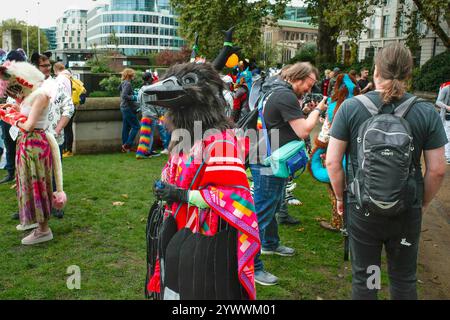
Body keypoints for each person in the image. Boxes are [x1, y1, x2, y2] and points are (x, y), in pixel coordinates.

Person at [327, 43, 447, 300]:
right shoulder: (425, 112)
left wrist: (340, 198)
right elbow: (437, 170)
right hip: (406, 211)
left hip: (363, 209)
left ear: (375, 70)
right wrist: (421, 204)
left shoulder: (351, 107)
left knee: (367, 278)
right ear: (409, 73)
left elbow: (332, 162)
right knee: (403, 279)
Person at [147, 62, 260, 300]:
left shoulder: (219, 141)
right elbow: (175, 173)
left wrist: (181, 195)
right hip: (179, 229)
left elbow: (234, 198)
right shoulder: (183, 138)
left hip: (207, 241)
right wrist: (165, 187)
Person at [250, 62, 328, 286]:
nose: (308, 89)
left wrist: (303, 111)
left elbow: (281, 121)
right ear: (297, 78)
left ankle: (270, 244)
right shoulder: (284, 95)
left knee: (273, 204)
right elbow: (304, 130)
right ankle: (251, 266)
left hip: (268, 156)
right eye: (308, 84)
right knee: (262, 213)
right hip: (268, 161)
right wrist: (316, 111)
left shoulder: (276, 90)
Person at [0, 61, 67, 244]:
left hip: (35, 144)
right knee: (28, 182)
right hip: (29, 144)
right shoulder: (32, 95)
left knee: (38, 185)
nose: (14, 89)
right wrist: (14, 109)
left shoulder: (40, 95)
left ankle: (43, 230)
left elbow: (29, 125)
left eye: (16, 84)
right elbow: (29, 117)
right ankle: (33, 221)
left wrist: (12, 118)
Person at [31, 53, 74, 219]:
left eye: (49, 65)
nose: (48, 68)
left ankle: (56, 204)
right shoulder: (26, 85)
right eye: (44, 65)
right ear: (35, 67)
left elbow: (68, 108)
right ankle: (31, 206)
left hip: (55, 139)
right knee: (33, 174)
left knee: (56, 173)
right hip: (32, 140)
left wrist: (57, 129)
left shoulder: (57, 85)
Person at [0, 50, 27, 184]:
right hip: (8, 115)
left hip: (22, 115)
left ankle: (22, 175)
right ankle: (11, 173)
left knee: (21, 146)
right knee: (8, 144)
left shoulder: (26, 77)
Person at [136, 72, 169, 159]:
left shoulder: (141, 90)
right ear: (150, 79)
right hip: (152, 115)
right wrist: (160, 113)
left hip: (145, 114)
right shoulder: (154, 89)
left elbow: (138, 101)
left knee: (144, 134)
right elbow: (157, 104)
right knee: (149, 135)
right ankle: (146, 152)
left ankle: (144, 151)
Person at [53, 62, 76, 158]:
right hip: (71, 103)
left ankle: (67, 149)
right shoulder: (69, 76)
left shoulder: (60, 78)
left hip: (64, 106)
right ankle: (68, 149)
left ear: (55, 69)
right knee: (68, 129)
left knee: (65, 129)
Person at [119, 68, 140, 153]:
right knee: (136, 126)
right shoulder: (128, 84)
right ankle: (127, 145)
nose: (134, 75)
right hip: (128, 108)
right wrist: (134, 97)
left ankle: (125, 148)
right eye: (133, 74)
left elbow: (120, 90)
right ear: (130, 75)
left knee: (126, 128)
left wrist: (132, 93)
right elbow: (124, 95)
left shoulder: (123, 83)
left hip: (124, 107)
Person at [436, 81, 450, 164]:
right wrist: (447, 107)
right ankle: (447, 156)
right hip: (447, 116)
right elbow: (438, 102)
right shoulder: (445, 89)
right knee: (448, 136)